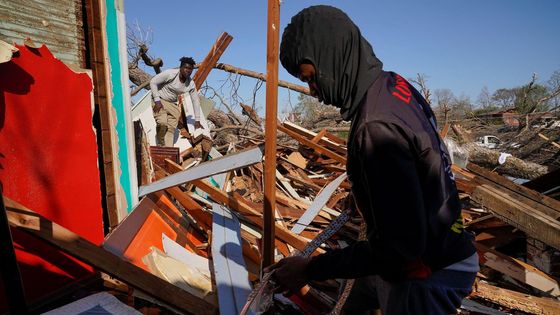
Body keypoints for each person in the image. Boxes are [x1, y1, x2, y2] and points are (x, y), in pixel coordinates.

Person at [267, 5, 479, 314]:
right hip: (447, 244)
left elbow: (401, 250)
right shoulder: (394, 87)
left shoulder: (375, 127)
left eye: (310, 78)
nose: (313, 91)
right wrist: (370, 195)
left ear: (331, 56)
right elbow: (422, 161)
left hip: (427, 272)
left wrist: (309, 270)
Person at [150, 56, 203, 147]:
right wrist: (157, 101)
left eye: (190, 69)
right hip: (160, 101)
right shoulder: (170, 74)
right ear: (181, 68)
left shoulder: (190, 83)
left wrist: (197, 120)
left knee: (171, 129)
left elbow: (195, 101)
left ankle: (168, 151)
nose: (188, 71)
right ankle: (161, 143)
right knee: (162, 123)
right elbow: (153, 82)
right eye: (186, 68)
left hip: (173, 104)